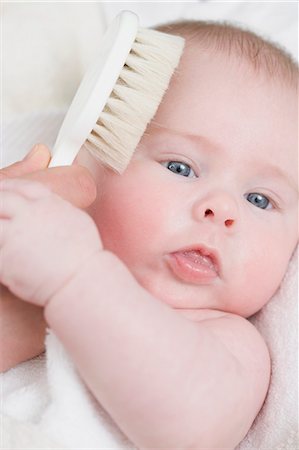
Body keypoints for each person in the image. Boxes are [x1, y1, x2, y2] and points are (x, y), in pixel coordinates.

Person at [0, 21, 297, 448]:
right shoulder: (24, 269)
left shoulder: (230, 342)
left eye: (260, 200)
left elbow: (192, 426)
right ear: (92, 160)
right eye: (181, 168)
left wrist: (77, 278)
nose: (223, 210)